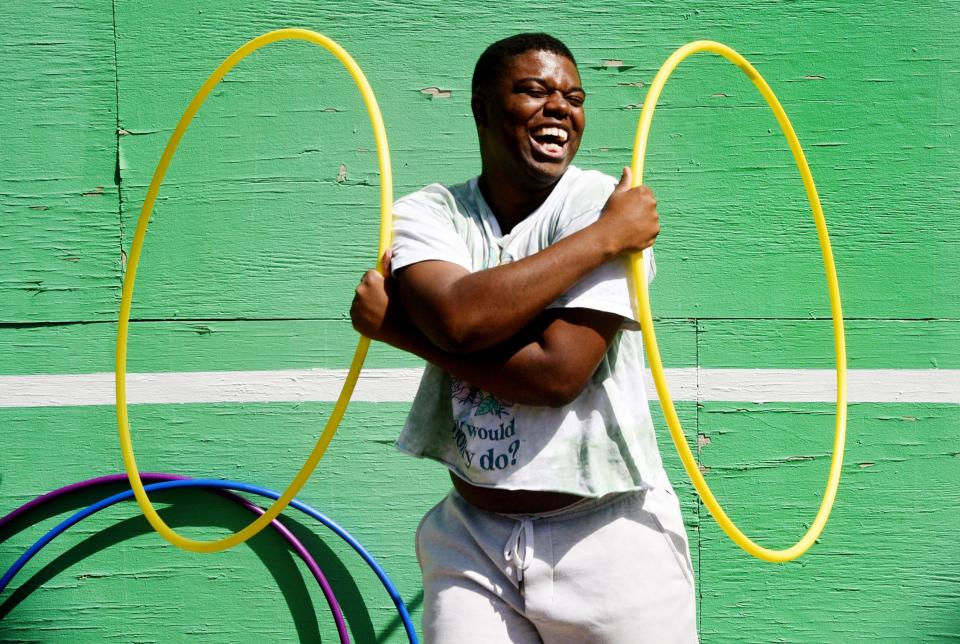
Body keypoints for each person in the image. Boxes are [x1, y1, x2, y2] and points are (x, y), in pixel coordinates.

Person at [351, 33, 698, 643]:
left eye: (574, 96)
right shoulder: (429, 214)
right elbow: (460, 319)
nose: (559, 106)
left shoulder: (600, 203)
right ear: (482, 108)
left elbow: (558, 374)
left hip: (611, 539)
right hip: (473, 540)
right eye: (535, 90)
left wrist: (403, 333)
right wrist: (605, 240)